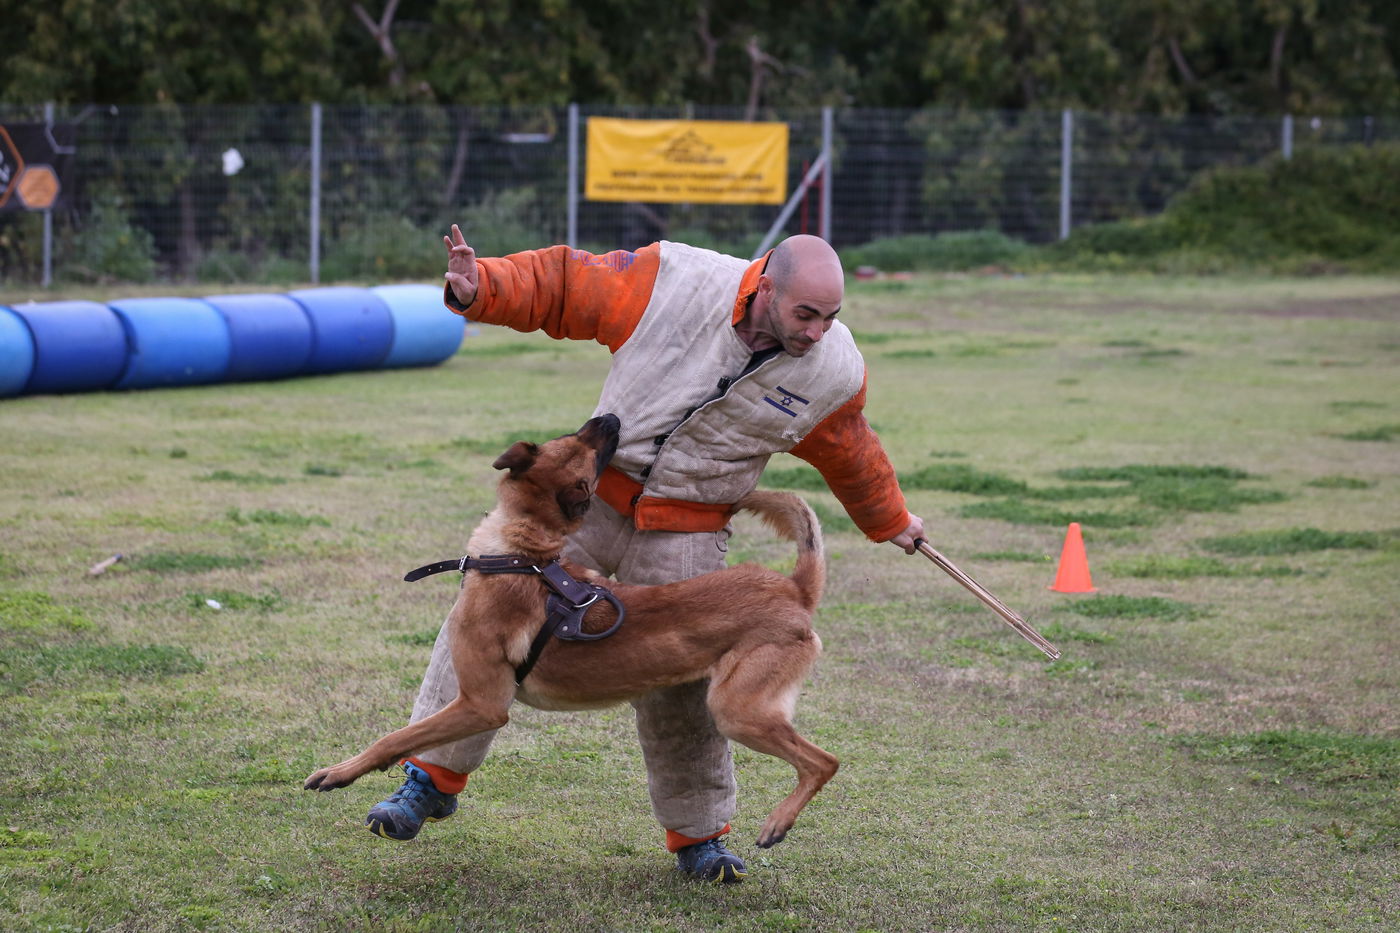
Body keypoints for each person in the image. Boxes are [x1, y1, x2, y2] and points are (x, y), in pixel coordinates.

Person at [365, 227, 926, 883]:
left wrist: (891, 520)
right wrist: (483, 284)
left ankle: (699, 836)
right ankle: (428, 779)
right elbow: (568, 285)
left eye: (831, 317)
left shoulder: (832, 368)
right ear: (766, 286)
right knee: (483, 615)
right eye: (806, 314)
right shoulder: (675, 279)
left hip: (689, 524)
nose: (817, 332)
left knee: (683, 681)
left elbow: (849, 449)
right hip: (590, 500)